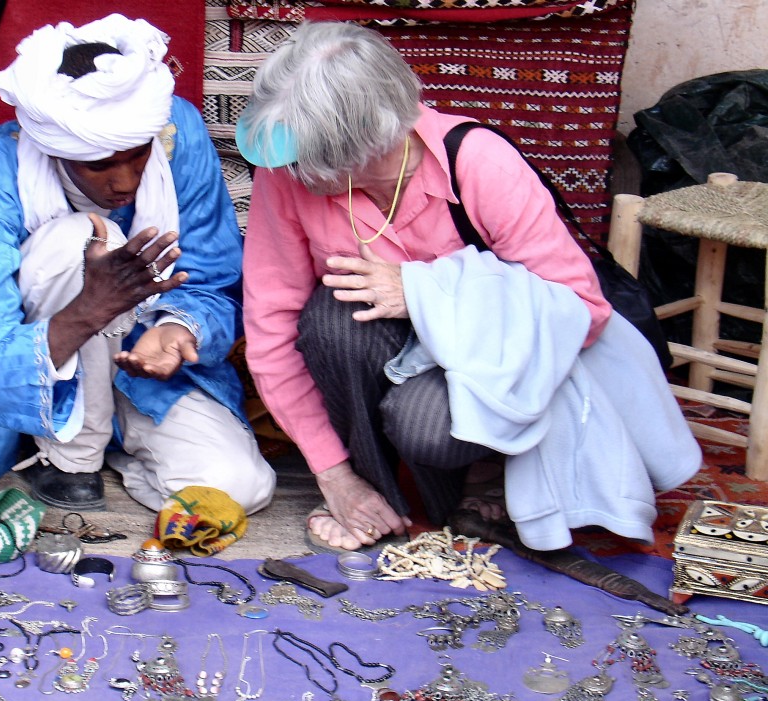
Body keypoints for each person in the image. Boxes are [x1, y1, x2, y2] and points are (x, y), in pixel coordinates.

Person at [237, 22, 700, 553]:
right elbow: (271, 323)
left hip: (496, 362)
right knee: (330, 318)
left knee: (422, 424)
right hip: (390, 354)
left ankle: (482, 481)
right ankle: (372, 497)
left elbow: (583, 312)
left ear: (366, 141)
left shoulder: (476, 161)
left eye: (309, 159)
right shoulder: (288, 171)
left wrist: (423, 292)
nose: (293, 173)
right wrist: (332, 474)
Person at [0, 15, 275, 516]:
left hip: (147, 371)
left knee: (238, 490)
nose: (125, 182)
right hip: (48, 353)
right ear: (56, 151)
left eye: (137, 157)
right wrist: (92, 309)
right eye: (100, 164)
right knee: (88, 236)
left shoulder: (177, 133)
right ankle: (69, 451)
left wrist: (179, 330)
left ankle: (122, 436)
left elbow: (216, 279)